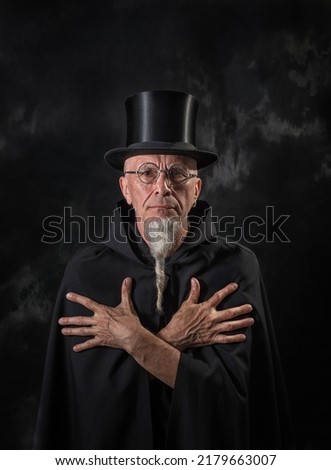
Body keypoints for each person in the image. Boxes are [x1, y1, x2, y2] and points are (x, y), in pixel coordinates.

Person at [34, 90, 294, 450]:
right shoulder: (86, 273)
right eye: (146, 173)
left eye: (177, 174)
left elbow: (233, 399)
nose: (162, 188)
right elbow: (89, 408)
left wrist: (131, 340)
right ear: (125, 188)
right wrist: (175, 338)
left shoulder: (235, 268)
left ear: (196, 188)